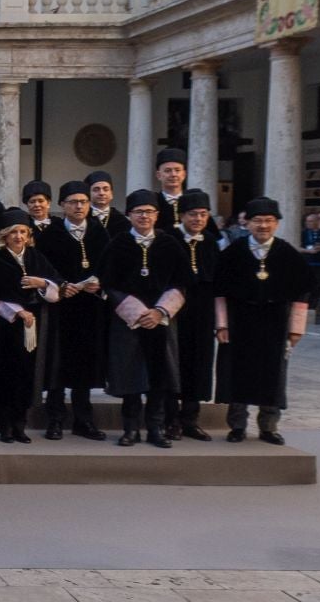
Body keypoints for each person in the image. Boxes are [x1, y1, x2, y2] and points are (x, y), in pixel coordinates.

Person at [217, 197, 310, 445]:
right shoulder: (233, 253)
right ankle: (237, 425)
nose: (263, 226)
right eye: (257, 221)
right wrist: (222, 324)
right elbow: (219, 291)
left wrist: (296, 329)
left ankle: (268, 426)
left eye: (269, 221)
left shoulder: (287, 253)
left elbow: (303, 293)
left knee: (273, 374)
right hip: (240, 322)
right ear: (246, 223)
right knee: (238, 373)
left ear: (277, 224)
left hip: (276, 322)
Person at [103, 190, 191, 448]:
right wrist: (139, 313)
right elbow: (109, 283)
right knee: (130, 375)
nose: (144, 216)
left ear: (157, 215)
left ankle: (156, 427)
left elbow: (181, 282)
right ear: (129, 215)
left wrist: (159, 311)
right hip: (129, 320)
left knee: (159, 375)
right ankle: (130, 428)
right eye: (139, 212)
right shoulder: (117, 244)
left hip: (161, 320)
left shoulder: (170, 245)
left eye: (149, 212)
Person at [0, 208, 60, 444]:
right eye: (13, 232)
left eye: (23, 232)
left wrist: (41, 282)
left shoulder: (35, 257)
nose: (19, 236)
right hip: (5, 328)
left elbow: (56, 283)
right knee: (6, 378)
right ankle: (5, 428)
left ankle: (20, 425)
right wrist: (17, 311)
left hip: (32, 326)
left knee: (27, 377)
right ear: (4, 235)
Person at [40, 180, 109, 440]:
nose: (79, 206)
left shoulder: (100, 233)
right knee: (58, 364)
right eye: (72, 202)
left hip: (90, 310)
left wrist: (99, 282)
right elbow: (42, 270)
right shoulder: (50, 236)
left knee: (85, 365)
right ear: (62, 206)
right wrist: (61, 285)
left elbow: (109, 266)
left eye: (83, 202)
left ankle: (83, 420)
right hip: (61, 310)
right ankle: (55, 419)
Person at [169, 189, 220, 441]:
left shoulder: (211, 242)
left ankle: (190, 418)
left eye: (203, 214)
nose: (198, 219)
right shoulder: (168, 239)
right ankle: (170, 419)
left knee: (198, 364)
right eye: (192, 214)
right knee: (173, 363)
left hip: (202, 314)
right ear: (182, 216)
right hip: (174, 313)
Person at [153, 149, 189, 231]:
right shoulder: (152, 203)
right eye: (167, 171)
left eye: (177, 170)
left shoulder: (195, 202)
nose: (173, 174)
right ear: (158, 175)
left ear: (184, 174)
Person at [87, 171, 130, 237]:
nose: (101, 193)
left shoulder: (122, 221)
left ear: (111, 194)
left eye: (106, 189)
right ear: (88, 194)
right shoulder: (82, 218)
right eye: (96, 190)